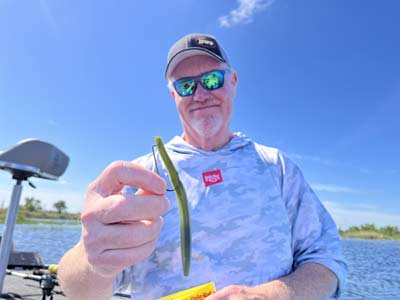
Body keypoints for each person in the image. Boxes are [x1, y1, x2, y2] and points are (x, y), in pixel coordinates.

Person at [58, 33, 347, 300]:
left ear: (232, 82)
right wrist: (92, 257)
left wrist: (268, 296)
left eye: (212, 80)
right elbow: (76, 288)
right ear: (174, 96)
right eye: (185, 86)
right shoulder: (141, 175)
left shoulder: (277, 167)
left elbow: (327, 262)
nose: (199, 94)